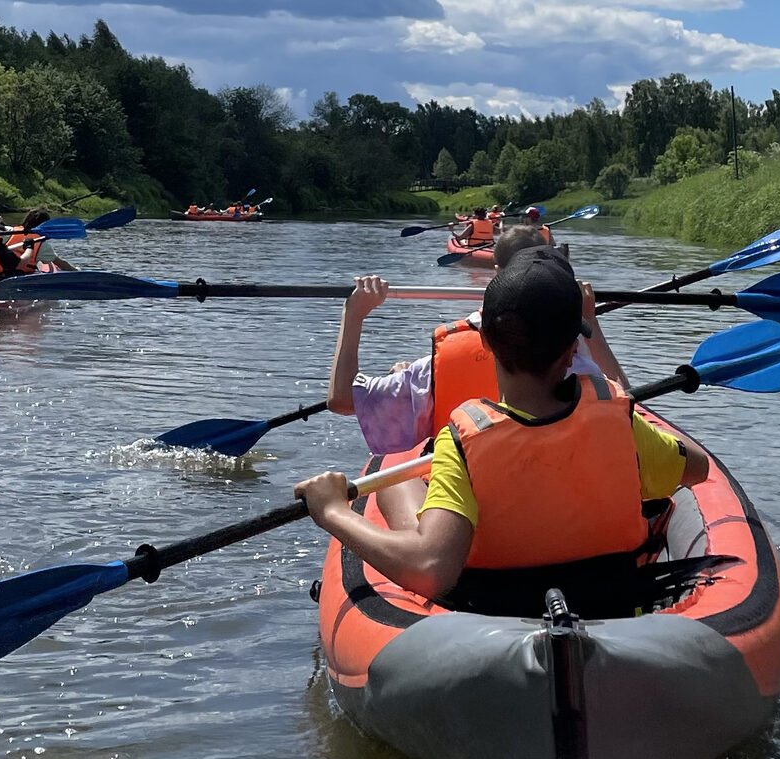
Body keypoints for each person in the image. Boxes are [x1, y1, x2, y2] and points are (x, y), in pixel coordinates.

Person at [297, 249, 710, 606]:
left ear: (487, 342)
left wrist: (332, 510)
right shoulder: (620, 420)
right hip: (614, 601)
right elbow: (697, 470)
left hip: (492, 607)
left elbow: (430, 570)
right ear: (572, 352)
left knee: (392, 476)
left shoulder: (461, 441)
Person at [328, 227, 624, 458]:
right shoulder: (574, 345)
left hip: (473, 500)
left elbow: (341, 399)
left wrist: (353, 314)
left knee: (394, 483)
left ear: (497, 273)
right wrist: (590, 323)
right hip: (556, 493)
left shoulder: (438, 364)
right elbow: (628, 402)